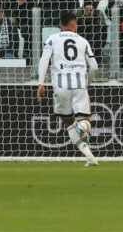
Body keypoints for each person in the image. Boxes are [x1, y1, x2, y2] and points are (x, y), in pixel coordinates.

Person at [36, 10, 99, 166]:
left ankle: (89, 156)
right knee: (86, 120)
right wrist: (88, 83)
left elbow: (44, 60)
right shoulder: (83, 41)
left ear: (60, 25)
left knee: (68, 123)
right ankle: (83, 132)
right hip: (79, 85)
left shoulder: (51, 39)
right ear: (73, 24)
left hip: (60, 87)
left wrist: (41, 83)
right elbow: (94, 67)